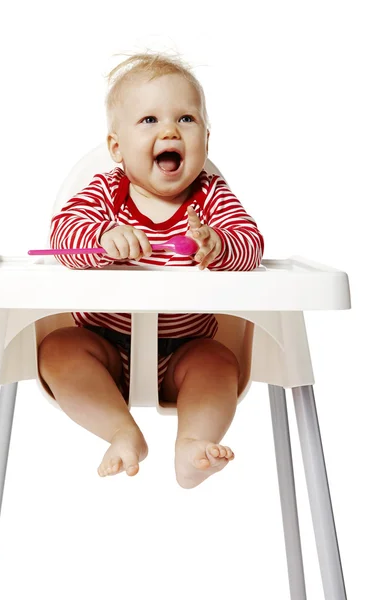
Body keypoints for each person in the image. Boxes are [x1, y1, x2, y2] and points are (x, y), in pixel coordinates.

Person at [38, 53, 264, 489]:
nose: (169, 130)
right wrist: (102, 239)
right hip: (102, 348)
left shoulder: (210, 196)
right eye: (149, 120)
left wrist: (218, 245)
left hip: (184, 351)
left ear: (207, 140)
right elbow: (63, 238)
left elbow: (251, 243)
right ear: (117, 148)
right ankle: (121, 432)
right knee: (57, 350)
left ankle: (192, 445)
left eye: (185, 118)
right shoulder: (106, 191)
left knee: (219, 362)